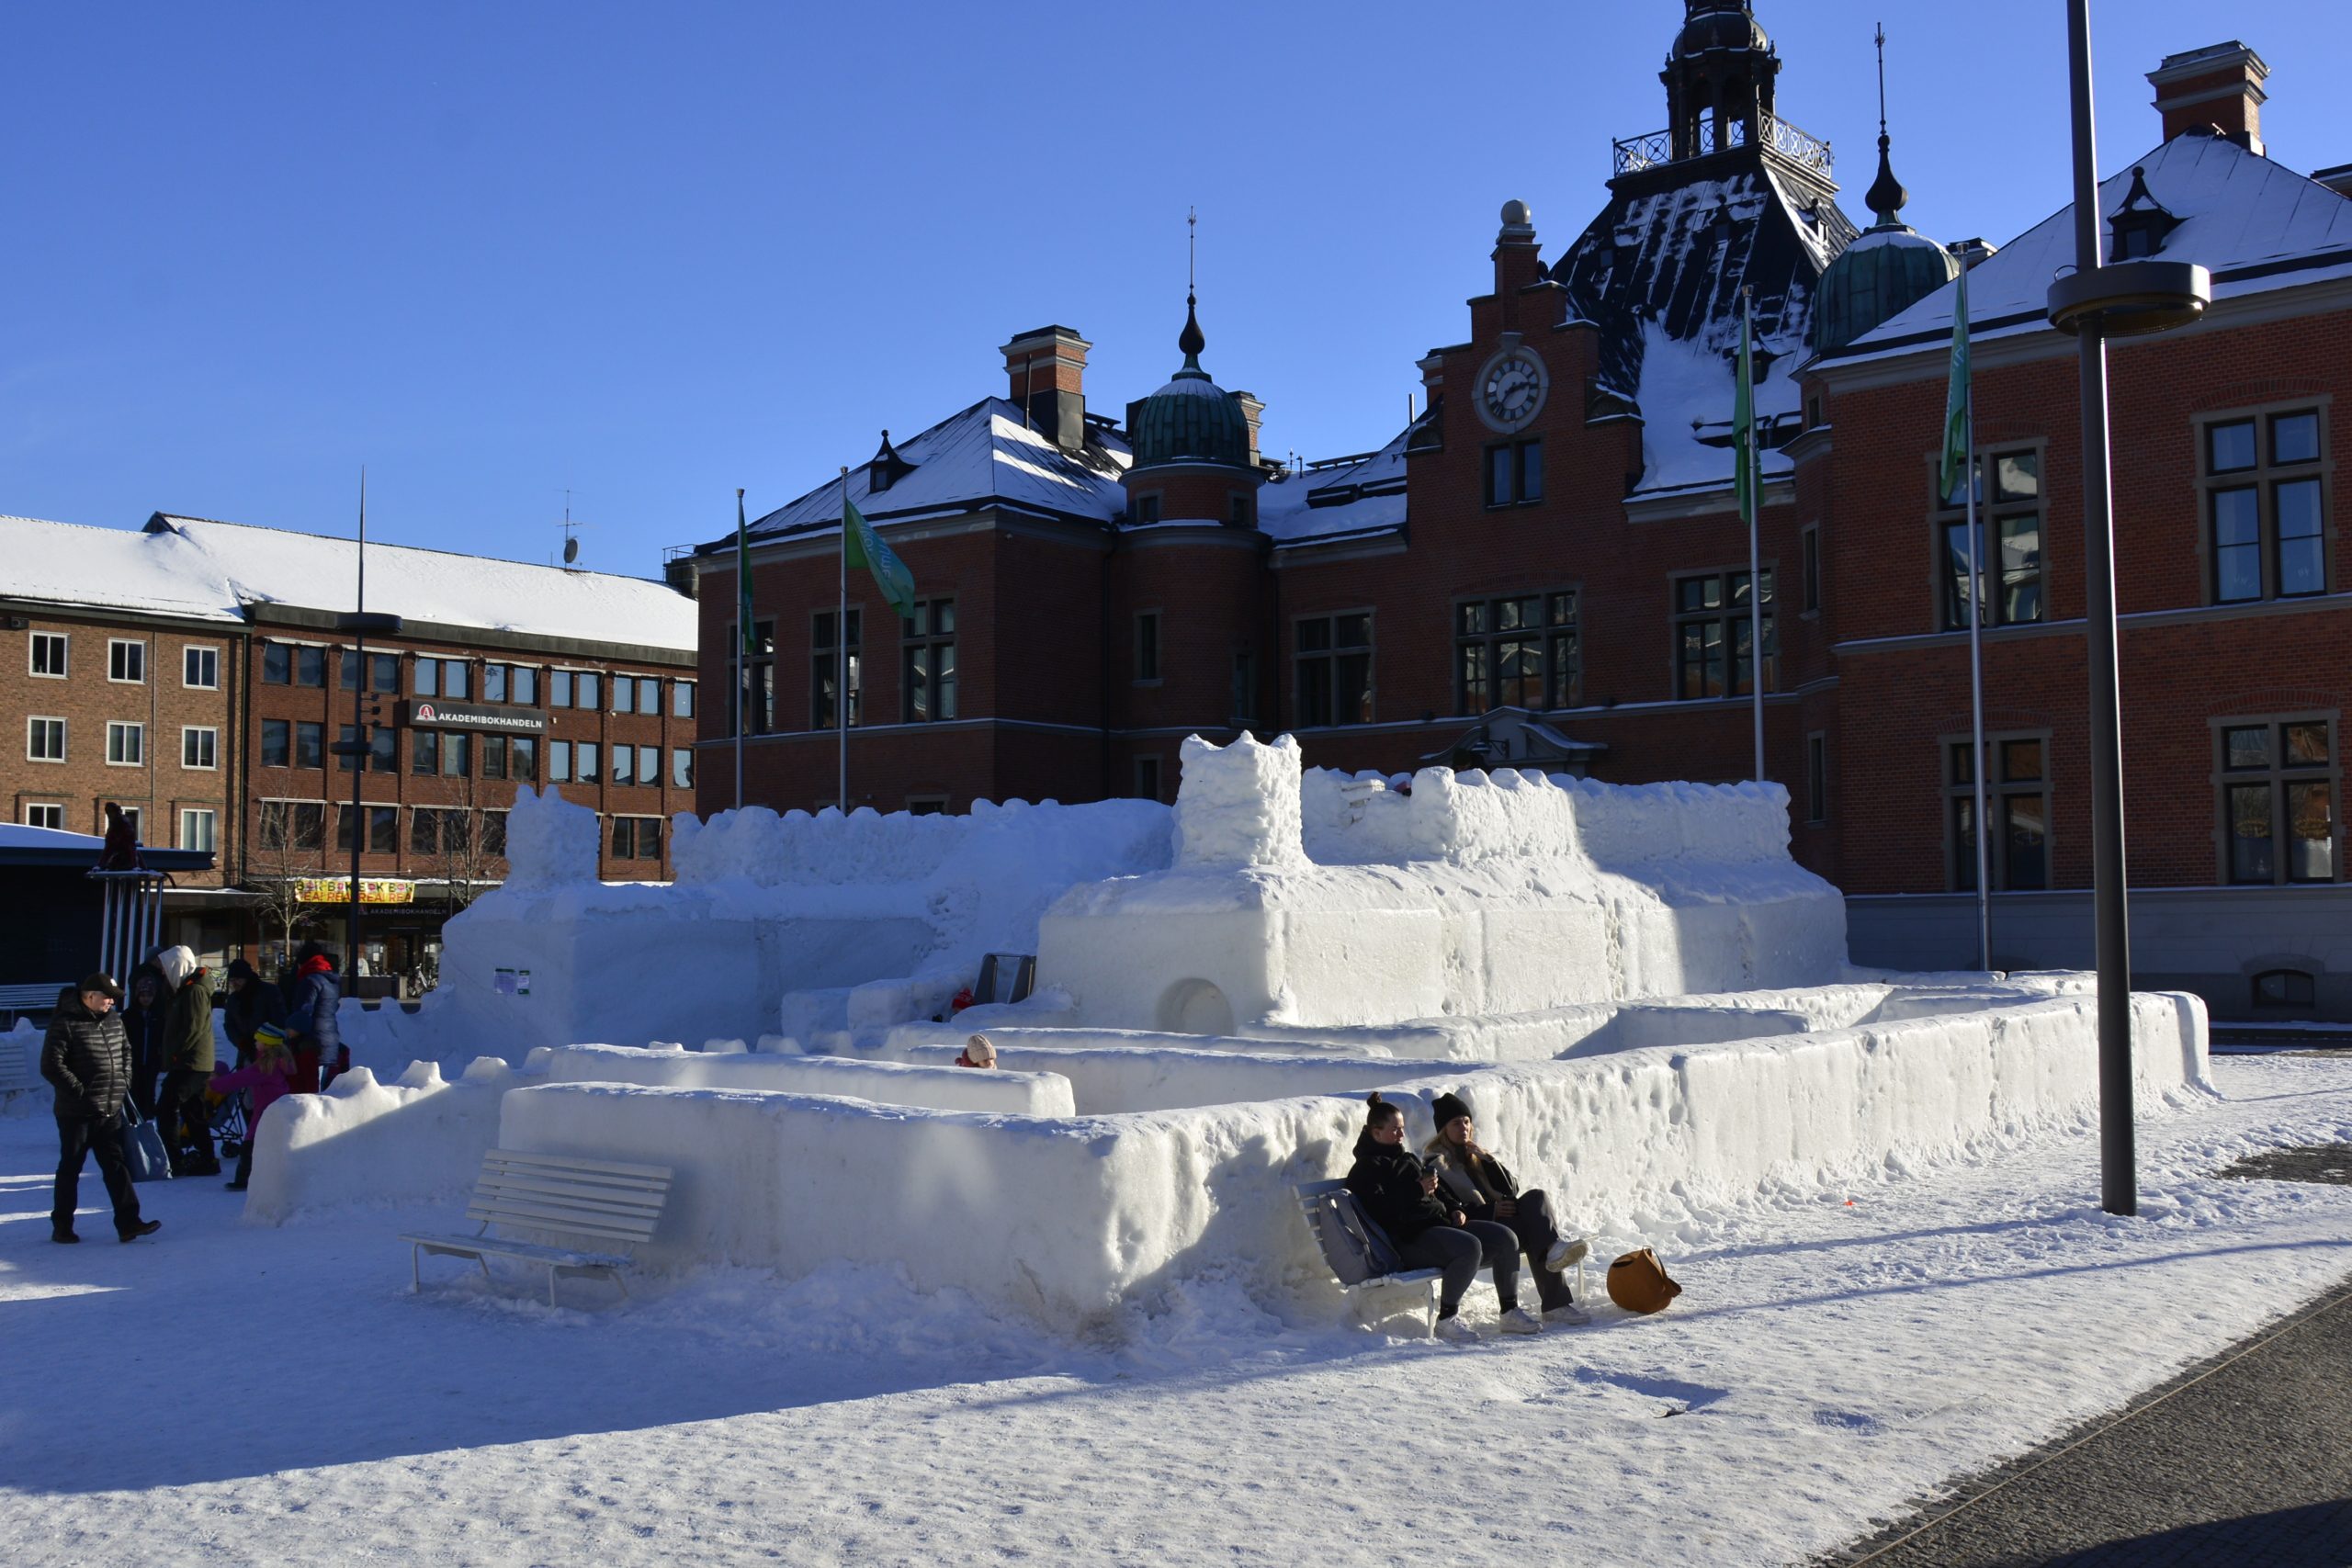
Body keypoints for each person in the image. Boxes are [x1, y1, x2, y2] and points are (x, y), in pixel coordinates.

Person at [1345, 1092, 1537, 1343]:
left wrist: (1454, 1208)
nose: (1401, 1135)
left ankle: (1509, 1310)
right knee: (1469, 1247)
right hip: (1408, 1240)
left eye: (1402, 1129)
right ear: (1375, 1132)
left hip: (1438, 1225)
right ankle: (1447, 1318)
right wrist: (1417, 1190)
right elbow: (1382, 1211)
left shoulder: (1406, 1159)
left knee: (1505, 1238)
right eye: (1394, 1130)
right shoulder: (1366, 1170)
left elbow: (1439, 1191)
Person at [1426, 1090, 1590, 1325]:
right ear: (1443, 1130)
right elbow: (1446, 1209)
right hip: (1478, 1229)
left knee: (1536, 1197)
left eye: (1466, 1121)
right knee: (1537, 1232)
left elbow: (1511, 1189)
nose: (1463, 1127)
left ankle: (1554, 1253)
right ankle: (1556, 1303)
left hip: (1501, 1221)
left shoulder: (1475, 1156)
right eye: (1455, 1123)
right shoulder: (1436, 1166)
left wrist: (1488, 1160)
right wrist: (1492, 1211)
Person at [40, 974, 161, 1244]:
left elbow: (126, 1052)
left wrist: (123, 1081)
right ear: (89, 995)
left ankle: (129, 1222)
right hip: (76, 1113)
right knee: (71, 1168)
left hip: (109, 1109)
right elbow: (51, 1065)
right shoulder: (65, 1023)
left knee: (117, 1167)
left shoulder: (114, 1020)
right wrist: (80, 1091)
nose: (111, 1002)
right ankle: (62, 1225)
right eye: (107, 997)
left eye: (114, 998)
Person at [151, 945, 220, 1177]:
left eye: (164, 967)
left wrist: (174, 1054)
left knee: (167, 1107)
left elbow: (193, 1027)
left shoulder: (194, 991)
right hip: (190, 1060)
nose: (162, 972)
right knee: (193, 1110)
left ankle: (175, 1157)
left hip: (191, 1061)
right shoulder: (185, 989)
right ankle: (206, 1158)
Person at [210, 1022, 298, 1191]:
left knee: (249, 1145)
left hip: (265, 1110)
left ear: (266, 1044)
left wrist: (214, 1084)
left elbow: (239, 1079)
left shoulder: (264, 1066)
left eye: (258, 1040)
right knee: (269, 1144)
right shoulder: (277, 1062)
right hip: (273, 1109)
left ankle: (244, 1180)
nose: (255, 1043)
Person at [282, 944, 345, 1092]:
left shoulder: (310, 981)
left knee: (310, 1095)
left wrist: (290, 1030)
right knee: (322, 1092)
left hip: (312, 1043)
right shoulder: (329, 980)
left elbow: (304, 1011)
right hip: (329, 1041)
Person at [119, 954, 172, 1121]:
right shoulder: (129, 1016)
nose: (145, 999)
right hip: (133, 1060)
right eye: (142, 996)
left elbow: (164, 1037)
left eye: (149, 995)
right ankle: (134, 1121)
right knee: (134, 1091)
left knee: (149, 1092)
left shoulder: (159, 1015)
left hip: (151, 1059)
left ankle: (148, 1121)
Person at [220, 958, 287, 1070]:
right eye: (231, 980)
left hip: (269, 1051)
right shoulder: (233, 999)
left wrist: (263, 1041)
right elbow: (229, 1025)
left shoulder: (269, 992)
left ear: (247, 977)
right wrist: (240, 1042)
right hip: (245, 1051)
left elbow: (279, 1020)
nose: (234, 983)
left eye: (237, 979)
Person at [98, 801, 142, 871]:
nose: (110, 815)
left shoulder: (125, 825)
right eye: (108, 812)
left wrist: (135, 866)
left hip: (127, 859)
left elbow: (130, 847)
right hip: (117, 857)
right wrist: (99, 865)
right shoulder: (112, 827)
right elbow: (108, 848)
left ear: (116, 812)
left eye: (112, 812)